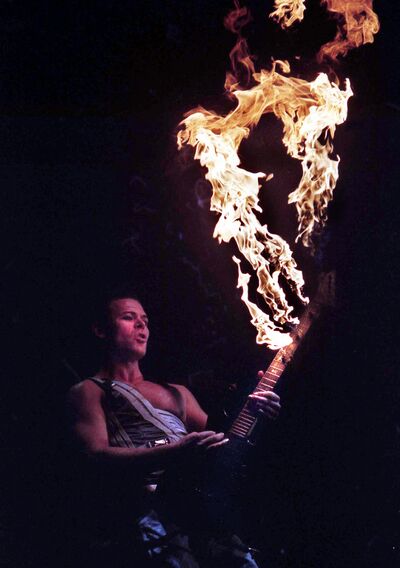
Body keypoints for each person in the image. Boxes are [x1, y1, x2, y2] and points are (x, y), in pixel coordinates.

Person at [67, 289, 281, 567]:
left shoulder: (177, 392)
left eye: (145, 320)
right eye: (129, 317)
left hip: (201, 512)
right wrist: (174, 451)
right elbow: (94, 456)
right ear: (100, 330)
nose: (142, 325)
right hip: (149, 516)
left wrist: (255, 413)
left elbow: (221, 449)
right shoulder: (89, 390)